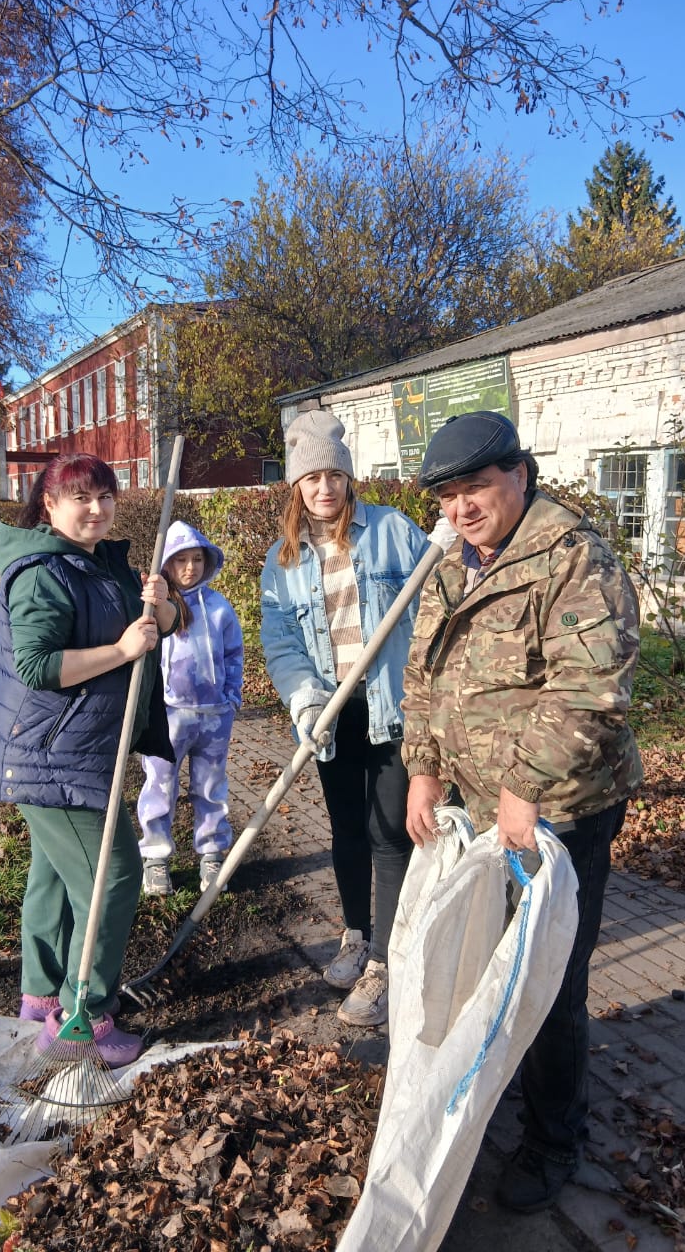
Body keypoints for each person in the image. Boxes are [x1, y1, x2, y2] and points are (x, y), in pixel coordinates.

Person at [402, 409, 642, 1213]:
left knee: (548, 981)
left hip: (560, 813)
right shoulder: (451, 563)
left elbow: (591, 690)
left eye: (476, 486)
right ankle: (501, 1091)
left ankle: (553, 1141)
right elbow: (423, 674)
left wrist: (524, 790)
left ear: (520, 474)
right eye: (447, 494)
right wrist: (423, 772)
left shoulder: (572, 555)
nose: (462, 506)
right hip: (477, 808)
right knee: (486, 970)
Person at [0, 452, 179, 1068]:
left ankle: (40, 994)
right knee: (112, 873)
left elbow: (158, 628)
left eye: (106, 496)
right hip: (50, 756)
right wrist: (121, 649)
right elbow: (39, 667)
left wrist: (162, 605)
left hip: (69, 751)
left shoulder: (98, 563)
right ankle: (82, 1017)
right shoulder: (43, 572)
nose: (97, 509)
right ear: (49, 505)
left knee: (54, 875)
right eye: (81, 498)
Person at [260, 411, 433, 1027]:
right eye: (312, 479)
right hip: (330, 715)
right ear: (296, 488)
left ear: (349, 478)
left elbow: (437, 604)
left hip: (390, 710)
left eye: (334, 475)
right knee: (346, 831)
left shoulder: (393, 532)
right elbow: (281, 642)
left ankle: (385, 961)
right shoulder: (281, 563)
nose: (325, 489)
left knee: (390, 832)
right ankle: (355, 935)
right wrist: (305, 699)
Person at [136, 521, 243, 897]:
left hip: (214, 716)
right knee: (159, 786)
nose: (190, 568)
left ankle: (212, 854)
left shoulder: (218, 607)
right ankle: (155, 857)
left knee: (210, 787)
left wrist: (231, 695)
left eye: (197, 559)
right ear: (166, 565)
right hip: (168, 715)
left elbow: (233, 653)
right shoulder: (155, 608)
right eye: (180, 560)